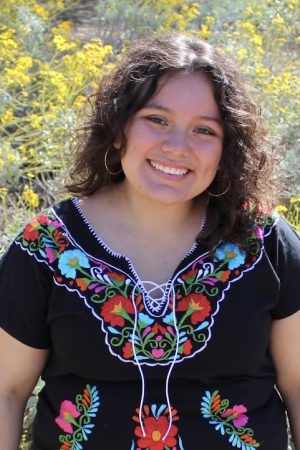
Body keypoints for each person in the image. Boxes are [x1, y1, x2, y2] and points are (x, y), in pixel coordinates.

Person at [0, 32, 299, 450]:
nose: (177, 147)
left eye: (204, 130)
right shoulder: (45, 248)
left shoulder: (265, 242)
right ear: (119, 128)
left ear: (227, 149)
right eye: (156, 120)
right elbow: (7, 392)